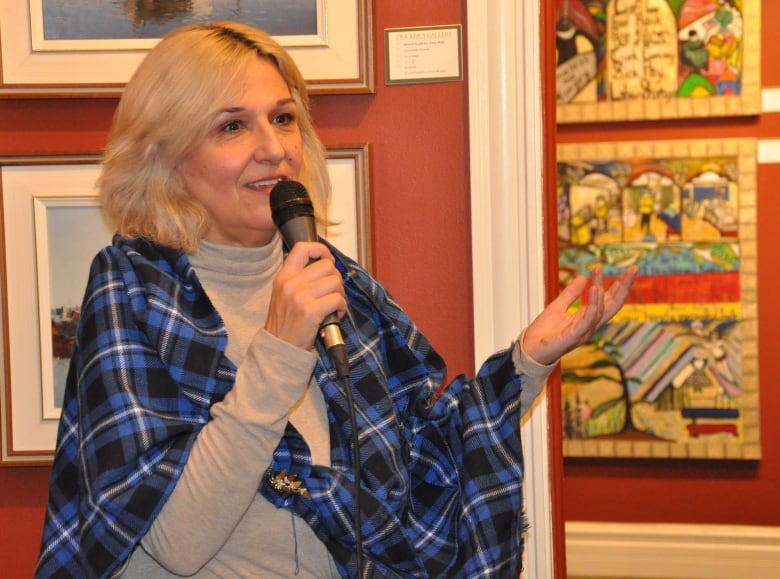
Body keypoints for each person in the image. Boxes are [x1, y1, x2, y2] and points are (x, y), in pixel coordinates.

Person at [35, 21, 637, 579]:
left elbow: (426, 455)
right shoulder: (131, 288)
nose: (274, 148)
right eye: (232, 126)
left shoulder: (337, 281)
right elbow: (176, 540)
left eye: (283, 118)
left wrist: (529, 360)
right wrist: (278, 349)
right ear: (165, 156)